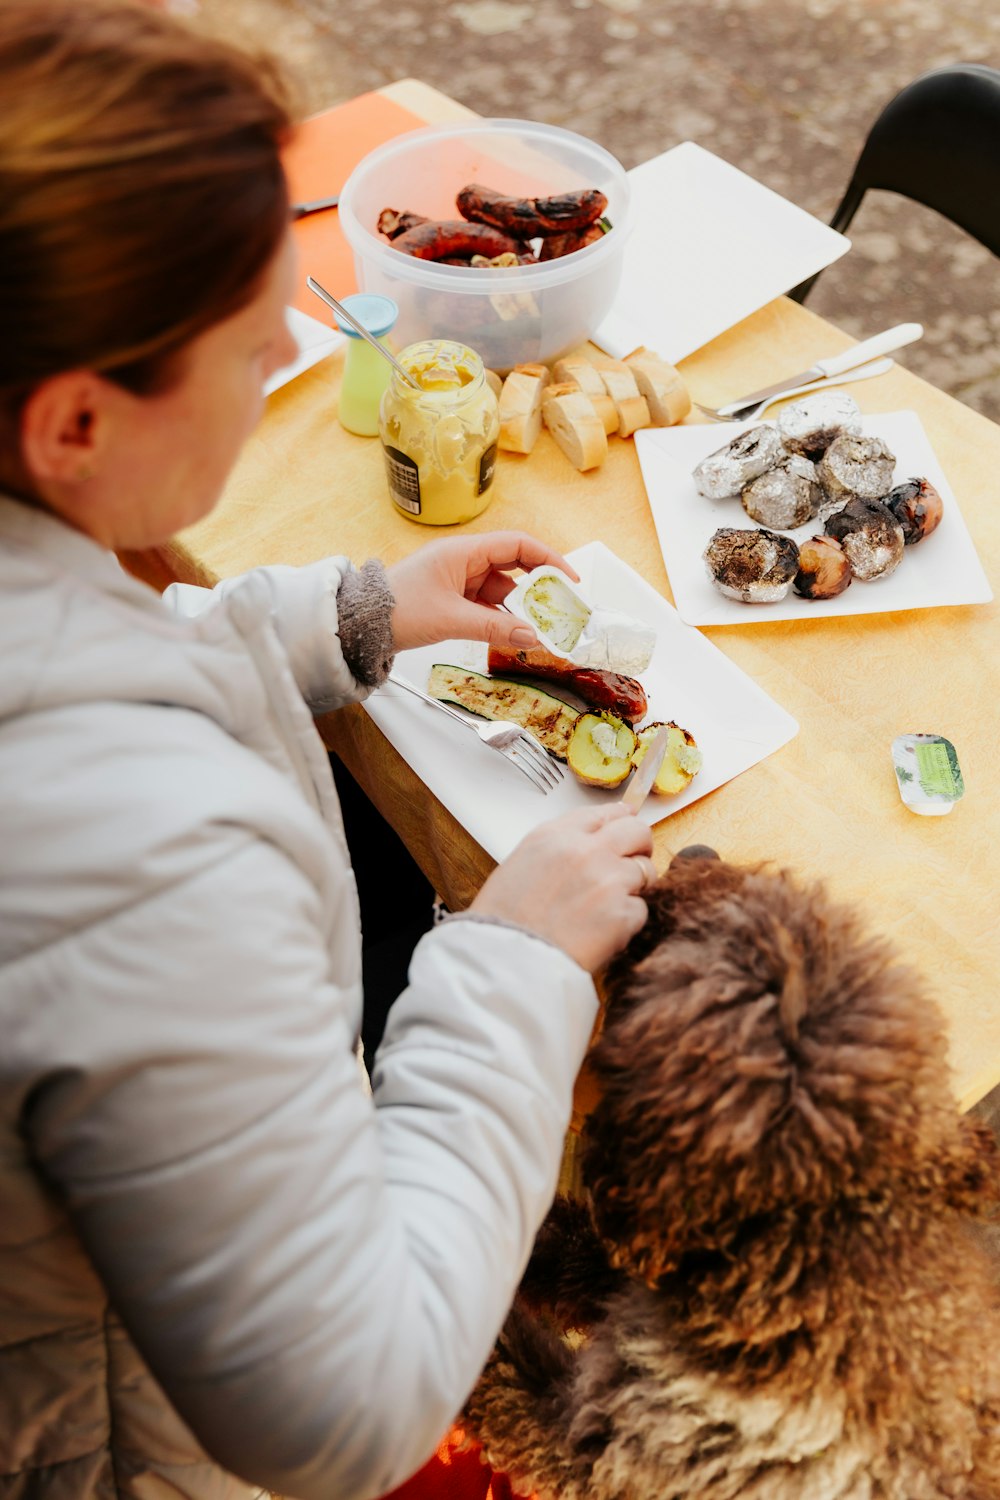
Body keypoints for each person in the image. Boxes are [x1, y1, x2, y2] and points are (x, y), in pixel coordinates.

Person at [0, 3, 657, 1497]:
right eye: (251, 349)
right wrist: (516, 963)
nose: (286, 359)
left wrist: (357, 610)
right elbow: (343, 1413)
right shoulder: (135, 865)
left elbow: (80, 646)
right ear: (78, 423)